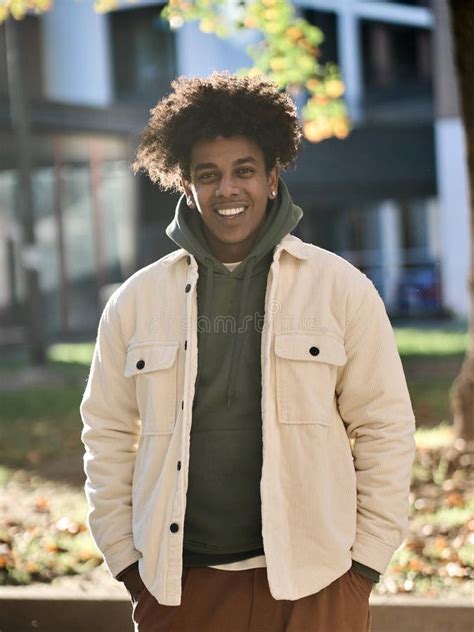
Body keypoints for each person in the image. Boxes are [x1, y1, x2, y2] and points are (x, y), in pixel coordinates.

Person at [80, 71, 416, 632]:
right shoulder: (137, 301)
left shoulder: (339, 288)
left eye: (244, 171)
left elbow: (384, 426)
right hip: (182, 587)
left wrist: (364, 566)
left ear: (272, 175)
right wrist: (127, 564)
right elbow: (106, 433)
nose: (227, 190)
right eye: (208, 175)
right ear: (185, 184)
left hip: (319, 583)